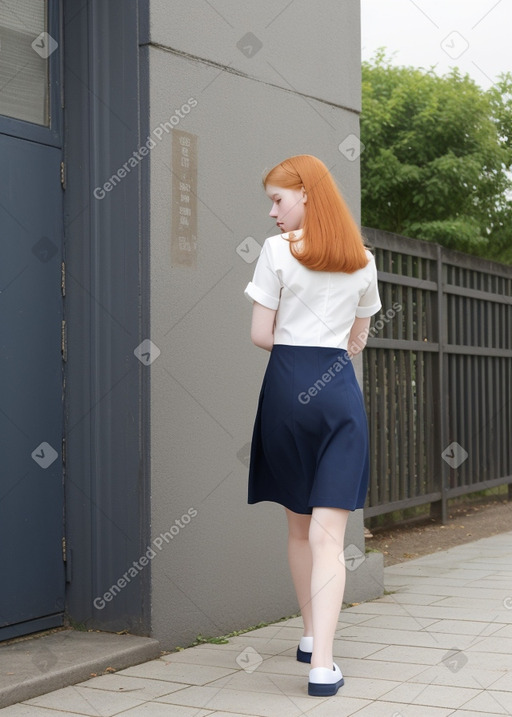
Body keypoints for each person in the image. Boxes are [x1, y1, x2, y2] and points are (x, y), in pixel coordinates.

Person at [243, 154, 381, 697]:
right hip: (339, 393)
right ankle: (322, 664)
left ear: (306, 195)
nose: (273, 212)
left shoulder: (277, 252)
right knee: (332, 536)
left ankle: (306, 631)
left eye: (278, 199)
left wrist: (296, 350)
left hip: (287, 391)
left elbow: (260, 334)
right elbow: (358, 338)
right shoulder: (363, 260)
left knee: (299, 527)